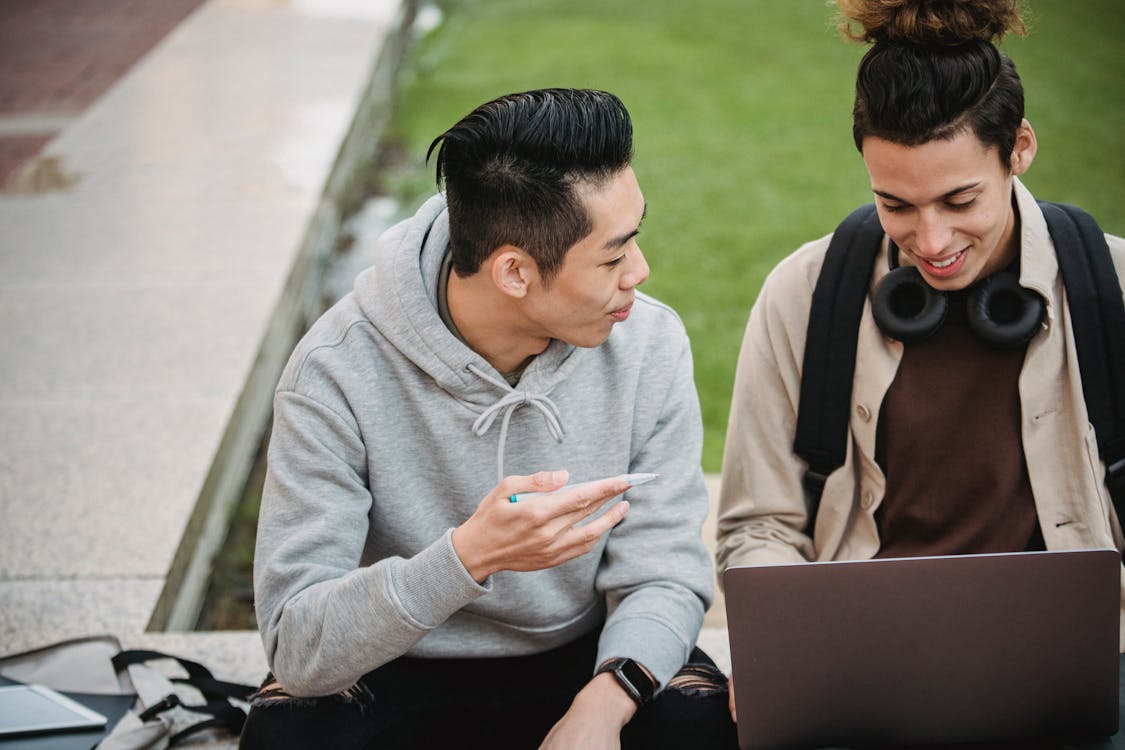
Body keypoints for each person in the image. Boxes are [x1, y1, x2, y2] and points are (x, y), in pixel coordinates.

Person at [240, 88, 738, 749]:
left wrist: (601, 709)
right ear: (514, 272)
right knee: (285, 740)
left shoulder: (647, 343)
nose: (639, 275)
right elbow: (297, 646)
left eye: (634, 240)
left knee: (701, 725)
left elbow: (663, 573)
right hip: (401, 661)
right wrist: (470, 557)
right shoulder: (333, 372)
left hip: (582, 656)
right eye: (613, 257)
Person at [715, 0, 1125, 720]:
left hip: (1071, 675)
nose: (929, 240)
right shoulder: (802, 295)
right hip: (858, 672)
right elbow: (759, 527)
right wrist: (774, 653)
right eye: (894, 204)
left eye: (958, 198)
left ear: (1019, 148)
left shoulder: (1112, 287)